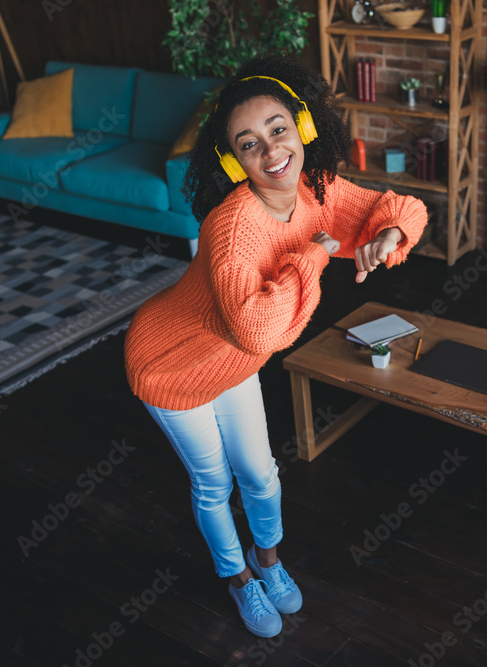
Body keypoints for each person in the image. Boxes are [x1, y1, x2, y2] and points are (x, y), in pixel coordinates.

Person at [124, 53, 428, 638]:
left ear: (303, 127)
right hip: (169, 363)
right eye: (248, 144)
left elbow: (394, 208)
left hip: (232, 363)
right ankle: (239, 582)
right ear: (233, 161)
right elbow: (258, 330)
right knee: (214, 484)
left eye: (278, 130)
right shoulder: (231, 227)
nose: (270, 153)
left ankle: (270, 564)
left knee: (260, 476)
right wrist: (315, 253)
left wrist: (387, 232)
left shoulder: (317, 189)